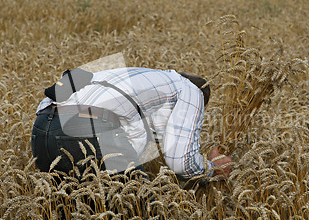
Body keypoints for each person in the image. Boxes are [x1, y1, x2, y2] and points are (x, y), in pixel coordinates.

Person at [30, 67, 232, 182]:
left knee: (73, 214)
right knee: (144, 215)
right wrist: (212, 169)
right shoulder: (192, 91)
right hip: (87, 128)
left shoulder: (151, 82)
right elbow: (180, 162)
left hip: (41, 129)